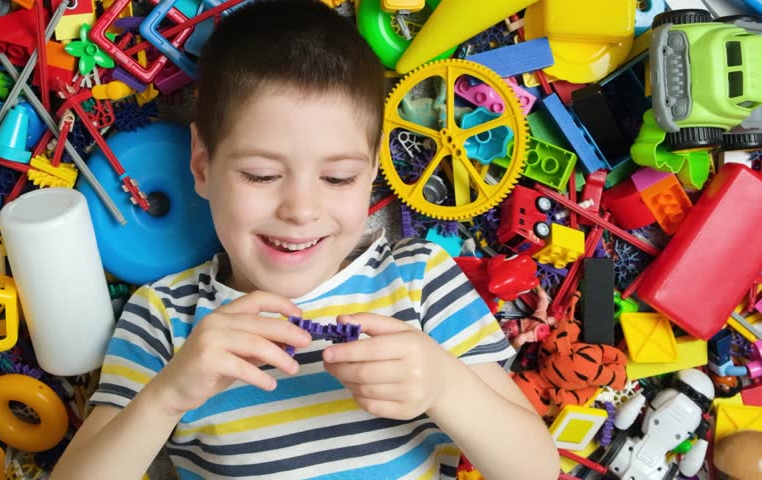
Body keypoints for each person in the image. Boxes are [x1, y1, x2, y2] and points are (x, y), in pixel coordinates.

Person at [50, 1, 559, 478]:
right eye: (260, 175)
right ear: (202, 165)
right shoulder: (165, 317)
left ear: (372, 170)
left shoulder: (419, 281)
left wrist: (446, 386)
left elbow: (537, 469)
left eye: (337, 178)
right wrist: (167, 396)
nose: (300, 210)